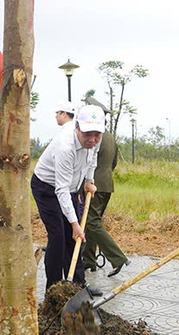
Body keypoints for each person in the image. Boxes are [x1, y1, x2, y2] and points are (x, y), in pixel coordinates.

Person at [31, 105, 105, 295]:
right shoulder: (66, 146)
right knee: (58, 236)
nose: (92, 139)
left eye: (97, 134)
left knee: (74, 239)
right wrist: (74, 223)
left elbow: (92, 159)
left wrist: (89, 181)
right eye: (88, 134)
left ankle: (78, 284)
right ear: (77, 128)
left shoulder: (96, 141)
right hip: (47, 187)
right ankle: (54, 289)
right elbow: (60, 189)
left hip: (70, 187)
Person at [79, 99, 130, 277]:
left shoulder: (94, 138)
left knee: (92, 222)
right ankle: (89, 260)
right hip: (107, 185)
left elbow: (87, 161)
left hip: (94, 185)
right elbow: (113, 162)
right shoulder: (110, 137)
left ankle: (118, 258)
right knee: (90, 223)